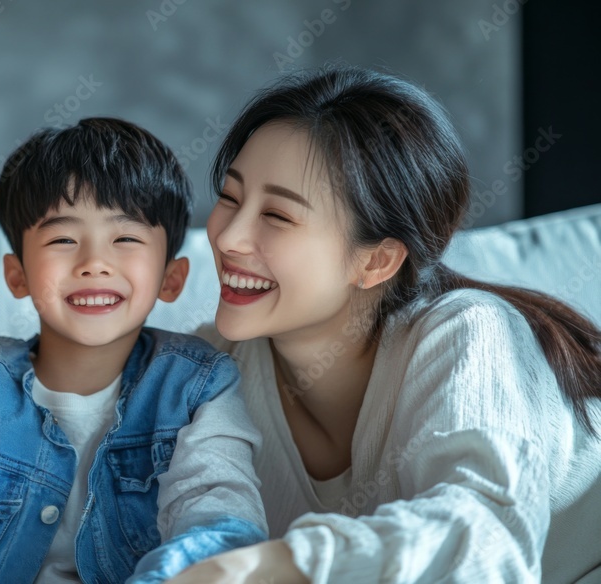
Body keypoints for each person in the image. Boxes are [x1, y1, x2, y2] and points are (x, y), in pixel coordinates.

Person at [164, 66, 601, 584]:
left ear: (375, 262)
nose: (228, 236)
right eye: (230, 198)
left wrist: (279, 562)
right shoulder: (205, 371)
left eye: (277, 216)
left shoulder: (467, 333)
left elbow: (483, 542)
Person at [0, 117, 268, 583]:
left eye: (125, 238)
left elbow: (216, 512)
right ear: (17, 275)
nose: (93, 264)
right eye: (63, 240)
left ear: (172, 279)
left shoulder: (200, 384)